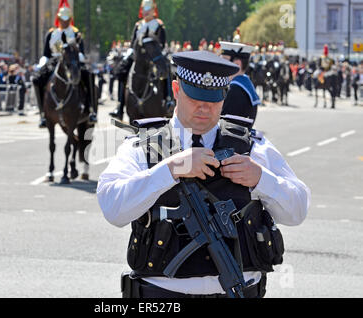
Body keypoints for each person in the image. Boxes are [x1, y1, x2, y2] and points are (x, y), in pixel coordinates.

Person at [97, 50, 310, 298]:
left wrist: (262, 179)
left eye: (213, 99)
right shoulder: (146, 145)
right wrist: (170, 170)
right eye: (195, 97)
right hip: (163, 296)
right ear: (176, 90)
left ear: (224, 97)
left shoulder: (252, 146)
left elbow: (298, 210)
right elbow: (112, 207)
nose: (204, 108)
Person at [32, 1, 97, 128]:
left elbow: (81, 51)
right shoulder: (51, 33)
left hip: (73, 61)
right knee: (36, 80)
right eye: (62, 19)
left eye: (66, 20)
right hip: (54, 61)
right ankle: (43, 114)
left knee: (89, 76)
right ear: (58, 19)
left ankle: (91, 110)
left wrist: (78, 58)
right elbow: (46, 52)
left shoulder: (76, 33)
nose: (64, 22)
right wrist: (42, 63)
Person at [109, 0, 173, 120]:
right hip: (138, 56)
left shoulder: (158, 24)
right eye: (144, 10)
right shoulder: (138, 25)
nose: (145, 12)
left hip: (154, 56)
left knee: (166, 68)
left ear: (153, 11)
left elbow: (162, 43)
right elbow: (133, 42)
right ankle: (120, 105)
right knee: (122, 70)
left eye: (148, 10)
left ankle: (168, 100)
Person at [219, 42, 260, 128]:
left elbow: (223, 127)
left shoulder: (234, 90)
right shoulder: (244, 83)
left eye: (224, 61)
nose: (220, 65)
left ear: (237, 64)